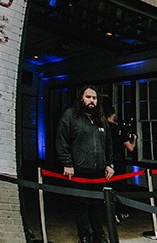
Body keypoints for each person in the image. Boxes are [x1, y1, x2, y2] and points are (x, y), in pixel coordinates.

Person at [55, 86, 114, 243]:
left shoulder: (101, 120)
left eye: (94, 98)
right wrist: (67, 163)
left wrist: (110, 164)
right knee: (81, 204)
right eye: (88, 97)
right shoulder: (70, 116)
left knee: (96, 204)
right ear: (81, 98)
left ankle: (99, 234)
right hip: (78, 171)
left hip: (98, 171)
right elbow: (62, 142)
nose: (92, 101)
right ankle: (84, 236)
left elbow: (109, 145)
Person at [107, 106, 137, 223]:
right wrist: (134, 139)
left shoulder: (101, 128)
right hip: (119, 162)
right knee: (120, 188)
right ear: (113, 115)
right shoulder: (119, 129)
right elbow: (130, 148)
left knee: (108, 188)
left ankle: (111, 213)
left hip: (106, 162)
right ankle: (121, 212)